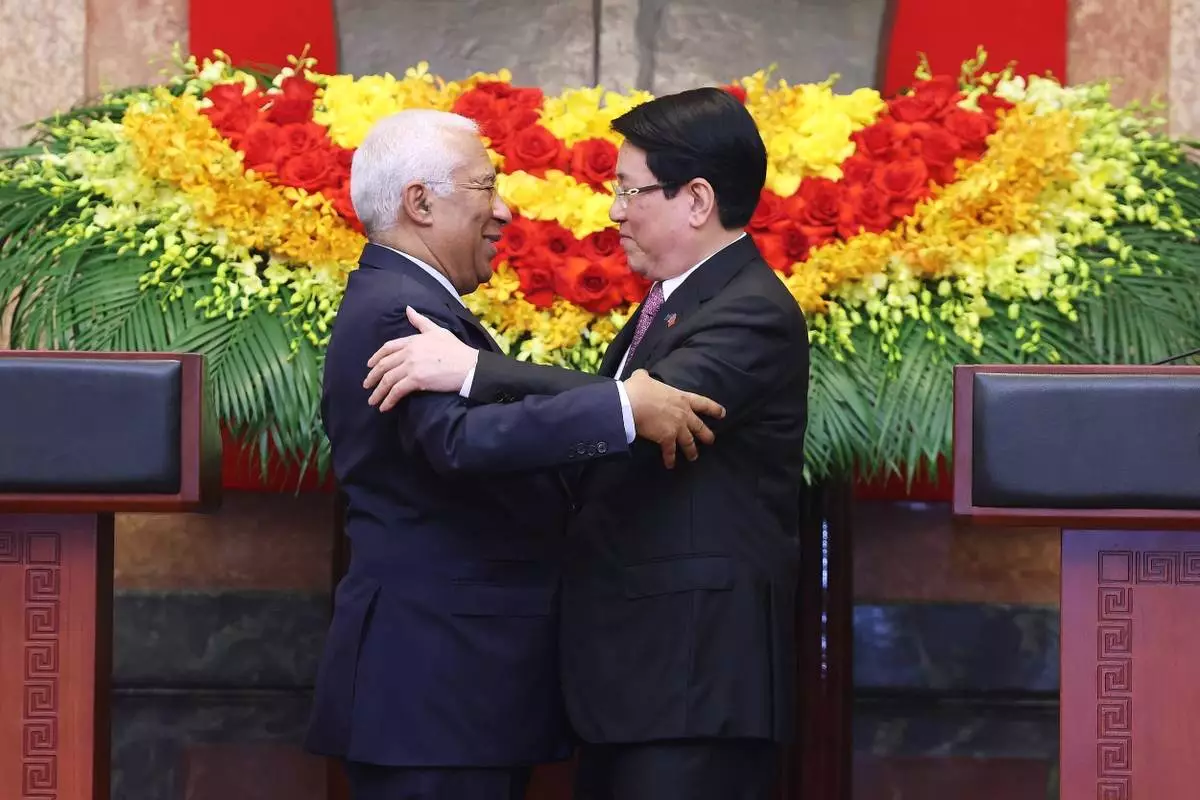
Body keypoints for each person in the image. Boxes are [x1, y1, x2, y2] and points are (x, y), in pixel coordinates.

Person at [361, 88, 811, 800]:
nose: (614, 212)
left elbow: (650, 414)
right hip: (640, 684)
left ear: (697, 200)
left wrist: (475, 370)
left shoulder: (750, 311)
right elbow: (622, 410)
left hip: (695, 681)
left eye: (630, 190)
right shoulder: (672, 303)